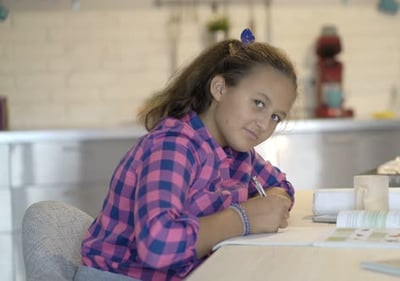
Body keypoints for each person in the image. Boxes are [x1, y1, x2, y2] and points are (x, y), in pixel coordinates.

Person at [79, 28, 298, 281]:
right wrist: (246, 218)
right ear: (219, 89)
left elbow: (281, 186)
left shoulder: (237, 151)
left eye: (275, 117)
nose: (264, 124)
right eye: (258, 103)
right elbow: (158, 245)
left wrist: (270, 202)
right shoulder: (174, 146)